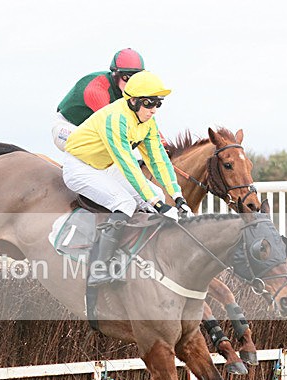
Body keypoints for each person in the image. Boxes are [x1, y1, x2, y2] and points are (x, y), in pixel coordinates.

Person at [62, 70, 191, 286]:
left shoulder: (148, 122)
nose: (153, 110)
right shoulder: (115, 118)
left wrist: (177, 196)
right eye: (149, 103)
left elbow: (159, 160)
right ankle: (99, 268)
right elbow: (128, 164)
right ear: (133, 101)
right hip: (80, 166)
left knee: (157, 193)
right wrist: (157, 205)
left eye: (158, 103)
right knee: (125, 203)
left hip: (105, 166)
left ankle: (142, 254)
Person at [52, 48, 145, 151]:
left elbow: (144, 123)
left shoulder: (128, 91)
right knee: (108, 147)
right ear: (115, 74)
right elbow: (113, 126)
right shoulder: (97, 89)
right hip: (67, 127)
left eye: (136, 78)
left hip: (89, 131)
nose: (131, 83)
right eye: (127, 78)